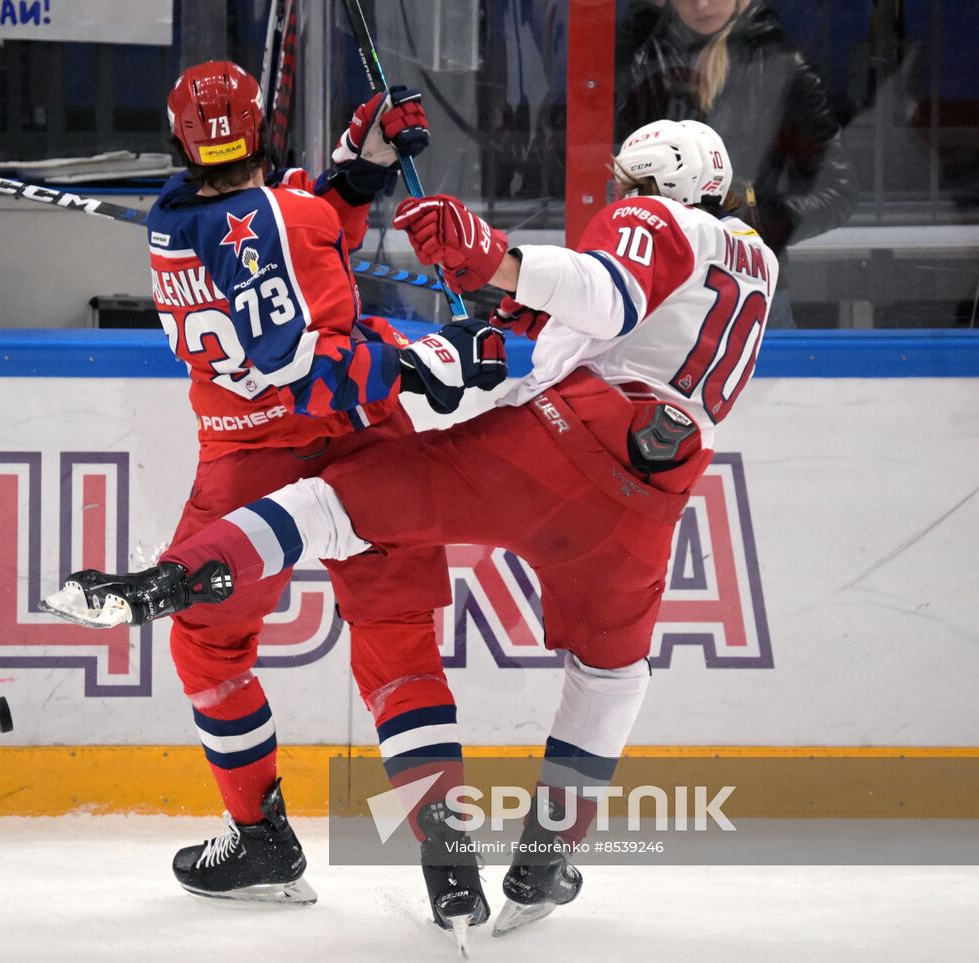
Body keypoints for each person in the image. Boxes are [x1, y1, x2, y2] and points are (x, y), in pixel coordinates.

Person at [49, 118, 777, 937]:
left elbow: (604, 297)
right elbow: (585, 338)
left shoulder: (656, 219)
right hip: (654, 492)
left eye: (625, 184)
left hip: (552, 440)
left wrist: (489, 264)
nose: (616, 196)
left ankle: (172, 580)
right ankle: (543, 857)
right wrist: (480, 327)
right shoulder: (756, 256)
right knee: (611, 673)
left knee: (336, 508)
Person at [45, 60, 503, 939]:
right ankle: (450, 864)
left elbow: (306, 223)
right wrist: (419, 358)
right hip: (359, 428)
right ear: (260, 132)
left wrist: (364, 156)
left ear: (180, 144)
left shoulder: (175, 223)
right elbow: (305, 325)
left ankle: (261, 836)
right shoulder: (287, 215)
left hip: (246, 454)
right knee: (399, 643)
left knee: (210, 645)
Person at [617, 0, 855, 326]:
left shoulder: (783, 67)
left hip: (746, 285)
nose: (701, 4)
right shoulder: (642, 56)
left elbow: (839, 190)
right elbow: (592, 153)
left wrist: (755, 222)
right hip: (653, 279)